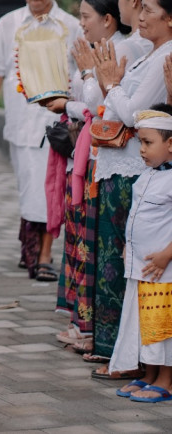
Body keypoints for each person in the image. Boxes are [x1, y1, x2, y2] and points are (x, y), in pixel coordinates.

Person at [86, 0, 172, 376]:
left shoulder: (166, 57)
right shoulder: (149, 55)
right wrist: (110, 87)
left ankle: (138, 361)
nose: (141, 17)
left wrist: (109, 85)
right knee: (117, 264)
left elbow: (136, 114)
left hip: (140, 169)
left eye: (150, 11)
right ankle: (119, 353)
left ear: (169, 19)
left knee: (135, 271)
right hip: (124, 168)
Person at [46, 0, 135, 354]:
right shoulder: (107, 49)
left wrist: (77, 89)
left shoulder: (125, 50)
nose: (81, 24)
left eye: (86, 17)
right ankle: (82, 323)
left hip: (107, 158)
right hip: (89, 156)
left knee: (94, 248)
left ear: (108, 19)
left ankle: (91, 328)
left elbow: (100, 103)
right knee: (80, 243)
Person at [0, 0, 81, 281]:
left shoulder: (71, 26)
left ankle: (45, 255)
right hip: (20, 122)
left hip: (57, 126)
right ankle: (31, 247)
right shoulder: (9, 24)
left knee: (50, 189)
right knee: (29, 189)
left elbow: (82, 77)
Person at [108, 105, 172, 402]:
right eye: (140, 143)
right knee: (145, 322)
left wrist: (166, 255)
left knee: (163, 323)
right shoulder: (147, 176)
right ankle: (149, 373)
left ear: (170, 144)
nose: (142, 150)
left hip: (162, 270)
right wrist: (128, 246)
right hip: (141, 267)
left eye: (148, 143)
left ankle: (167, 380)